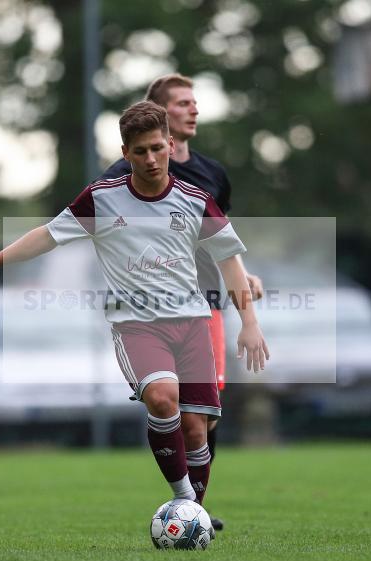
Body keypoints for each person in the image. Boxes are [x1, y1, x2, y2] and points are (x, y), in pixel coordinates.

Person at [0, 101, 268, 517]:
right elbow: (48, 235)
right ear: (125, 154)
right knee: (162, 398)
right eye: (140, 151)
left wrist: (249, 323)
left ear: (170, 144)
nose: (151, 159)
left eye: (158, 148)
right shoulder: (102, 199)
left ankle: (192, 513)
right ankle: (185, 503)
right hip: (137, 326)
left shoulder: (197, 200)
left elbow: (230, 261)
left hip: (192, 323)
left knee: (196, 429)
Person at [102, 74, 264, 531]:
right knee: (173, 403)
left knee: (206, 418)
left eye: (195, 103)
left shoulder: (212, 174)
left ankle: (193, 502)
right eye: (181, 104)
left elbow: (221, 238)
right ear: (160, 115)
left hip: (207, 304)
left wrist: (245, 278)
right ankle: (190, 503)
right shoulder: (127, 174)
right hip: (154, 311)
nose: (193, 110)